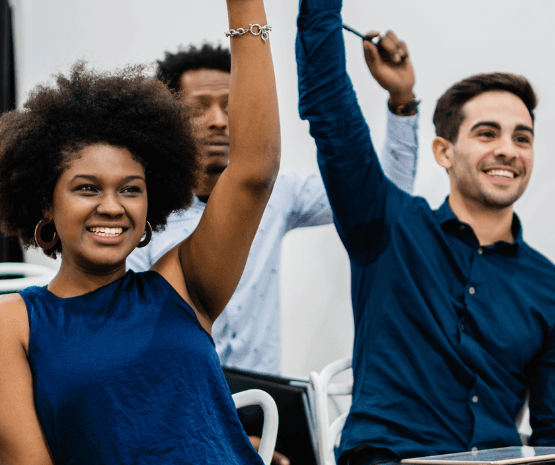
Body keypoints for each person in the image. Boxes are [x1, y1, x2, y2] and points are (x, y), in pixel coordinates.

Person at [0, 0, 286, 465]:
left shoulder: (182, 285)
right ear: (44, 203)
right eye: (86, 188)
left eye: (131, 190)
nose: (111, 206)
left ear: (151, 205)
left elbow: (252, 172)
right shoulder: (8, 325)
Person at [295, 0, 555, 465]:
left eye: (523, 136)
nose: (508, 149)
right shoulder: (387, 228)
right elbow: (329, 110)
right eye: (488, 133)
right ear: (444, 151)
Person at [128, 39, 418, 375]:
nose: (218, 120)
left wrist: (402, 102)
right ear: (168, 120)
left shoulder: (276, 192)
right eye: (198, 108)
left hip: (262, 403)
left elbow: (381, 198)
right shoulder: (141, 206)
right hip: (175, 397)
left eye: (230, 105)